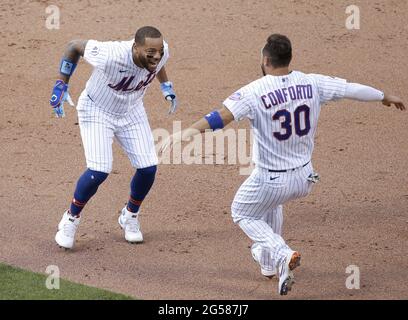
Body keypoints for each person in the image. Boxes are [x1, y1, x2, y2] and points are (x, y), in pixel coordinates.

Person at [159, 34, 405, 295]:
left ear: (265, 59)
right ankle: (270, 265)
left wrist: (183, 134)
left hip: (271, 179)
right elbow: (350, 89)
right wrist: (383, 96)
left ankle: (281, 252)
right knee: (270, 205)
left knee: (242, 211)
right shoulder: (312, 82)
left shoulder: (254, 91)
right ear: (289, 59)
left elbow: (220, 117)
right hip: (305, 178)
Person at [50, 26, 178, 249]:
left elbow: (159, 63)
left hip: (131, 111)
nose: (156, 56)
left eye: (158, 52)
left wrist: (166, 85)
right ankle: (71, 218)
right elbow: (73, 46)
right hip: (97, 110)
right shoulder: (110, 54)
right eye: (150, 53)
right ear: (135, 47)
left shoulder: (161, 51)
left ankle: (129, 215)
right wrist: (62, 83)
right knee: (99, 170)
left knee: (148, 167)